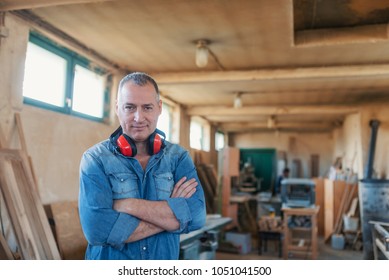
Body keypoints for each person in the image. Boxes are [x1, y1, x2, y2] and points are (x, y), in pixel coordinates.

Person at [78, 72, 206, 260]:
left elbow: (197, 217)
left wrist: (129, 205)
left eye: (147, 107)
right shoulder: (95, 160)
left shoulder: (178, 158)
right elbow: (98, 231)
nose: (139, 118)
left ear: (159, 108)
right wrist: (173, 216)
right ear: (117, 108)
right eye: (130, 107)